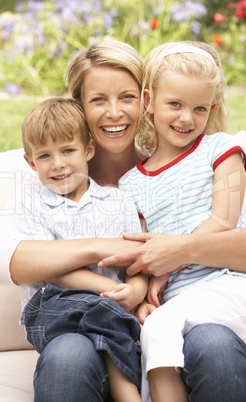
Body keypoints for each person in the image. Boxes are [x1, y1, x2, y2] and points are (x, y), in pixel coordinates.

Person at [0, 40, 246, 401]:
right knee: (68, 356)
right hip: (84, 334)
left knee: (215, 344)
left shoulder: (180, 166)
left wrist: (174, 255)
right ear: (80, 107)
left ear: (147, 102)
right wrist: (100, 247)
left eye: (127, 97)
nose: (114, 113)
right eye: (98, 100)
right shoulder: (51, 178)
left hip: (169, 325)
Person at [99, 41, 246, 402]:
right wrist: (145, 287)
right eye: (175, 104)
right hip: (181, 303)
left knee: (160, 328)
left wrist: (173, 258)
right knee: (153, 330)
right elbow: (143, 250)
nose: (186, 118)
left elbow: (225, 220)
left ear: (211, 108)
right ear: (149, 101)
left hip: (229, 285)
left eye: (199, 108)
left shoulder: (221, 151)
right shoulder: (131, 184)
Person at [18, 97, 147, 402]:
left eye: (67, 150)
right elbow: (52, 271)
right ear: (30, 162)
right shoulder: (32, 202)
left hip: (112, 304)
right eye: (44, 156)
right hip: (51, 306)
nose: (58, 163)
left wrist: (137, 291)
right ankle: (128, 394)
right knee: (106, 313)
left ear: (88, 149)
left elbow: (136, 261)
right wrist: (109, 289)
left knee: (107, 314)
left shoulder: (118, 202)